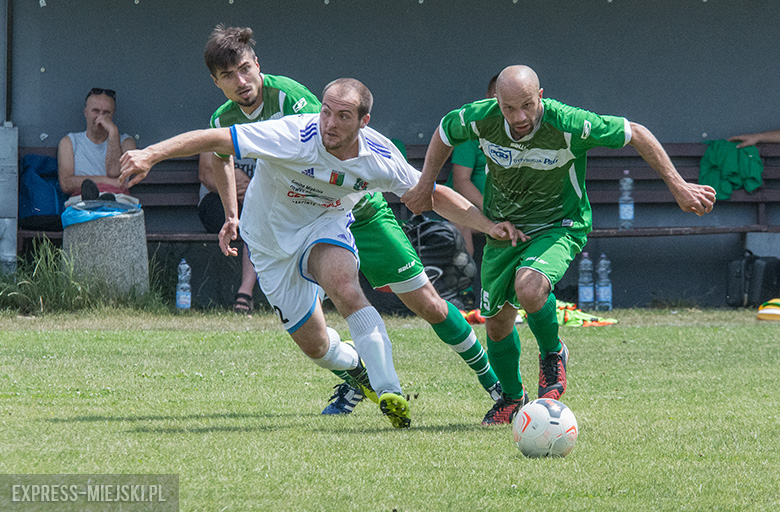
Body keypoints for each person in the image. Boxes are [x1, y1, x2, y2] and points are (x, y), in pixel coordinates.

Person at [120, 78, 522, 429]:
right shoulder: (295, 134)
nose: (329, 123)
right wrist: (151, 154)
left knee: (347, 288)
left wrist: (488, 226)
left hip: (325, 227)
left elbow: (431, 194)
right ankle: (358, 371)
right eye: (326, 112)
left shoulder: (379, 157)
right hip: (269, 244)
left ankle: (391, 390)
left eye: (343, 116)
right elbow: (216, 140)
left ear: (363, 122)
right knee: (315, 346)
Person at [195, 25, 511, 417]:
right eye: (228, 76)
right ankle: (362, 379)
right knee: (316, 338)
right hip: (307, 223)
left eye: (245, 69)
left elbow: (335, 149)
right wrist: (231, 214)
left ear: (257, 64)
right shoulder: (223, 118)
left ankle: (495, 384)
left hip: (361, 213)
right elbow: (221, 158)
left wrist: (486, 225)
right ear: (216, 82)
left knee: (430, 304)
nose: (241, 82)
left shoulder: (291, 98)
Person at [403, 65, 717, 425]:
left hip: (559, 225)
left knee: (529, 287)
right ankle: (512, 398)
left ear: (540, 96)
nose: (519, 117)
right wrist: (425, 184)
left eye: (527, 105)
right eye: (509, 108)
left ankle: (553, 353)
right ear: (496, 102)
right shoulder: (482, 118)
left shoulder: (569, 123)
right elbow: (445, 131)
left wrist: (679, 186)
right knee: (497, 323)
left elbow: (636, 133)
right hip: (505, 229)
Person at [444, 74, 498, 258]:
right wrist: (488, 210)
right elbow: (461, 181)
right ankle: (465, 275)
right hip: (472, 209)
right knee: (461, 224)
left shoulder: (520, 133)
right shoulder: (471, 131)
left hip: (506, 211)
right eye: (496, 97)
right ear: (487, 97)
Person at [197, 152, 257, 314]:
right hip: (216, 200)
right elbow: (205, 174)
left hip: (257, 198)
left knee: (259, 215)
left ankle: (245, 292)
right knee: (257, 217)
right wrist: (231, 185)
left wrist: (253, 190)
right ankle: (245, 295)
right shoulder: (215, 135)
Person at [58, 88, 136, 201]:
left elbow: (114, 172)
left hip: (118, 199)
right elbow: (66, 184)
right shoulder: (69, 142)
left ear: (113, 115)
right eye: (95, 111)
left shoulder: (126, 142)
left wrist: (113, 132)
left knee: (114, 203)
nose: (100, 117)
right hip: (82, 201)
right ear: (85, 112)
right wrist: (106, 181)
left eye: (106, 113)